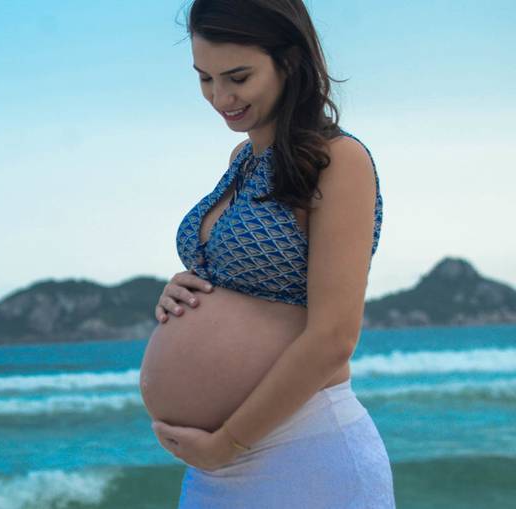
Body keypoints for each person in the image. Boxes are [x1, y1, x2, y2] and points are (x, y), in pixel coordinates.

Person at [148, 0, 397, 507]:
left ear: (290, 61)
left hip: (303, 452)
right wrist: (188, 287)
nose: (221, 97)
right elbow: (250, 283)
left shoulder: (339, 160)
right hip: (219, 467)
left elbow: (334, 336)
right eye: (205, 79)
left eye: (238, 76)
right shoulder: (243, 158)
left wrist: (227, 443)